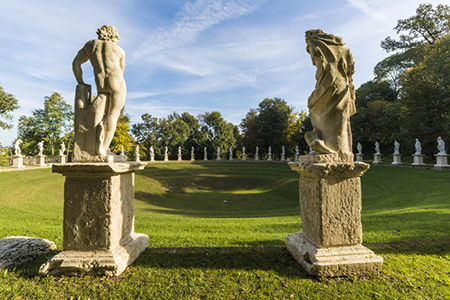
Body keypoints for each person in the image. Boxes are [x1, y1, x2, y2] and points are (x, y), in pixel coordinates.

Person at [72, 25, 126, 156]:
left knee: (100, 115)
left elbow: (76, 63)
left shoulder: (90, 45)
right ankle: (103, 148)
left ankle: (97, 144)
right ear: (113, 36)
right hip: (116, 82)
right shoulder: (119, 50)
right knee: (112, 115)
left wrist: (81, 83)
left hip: (100, 84)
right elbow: (121, 70)